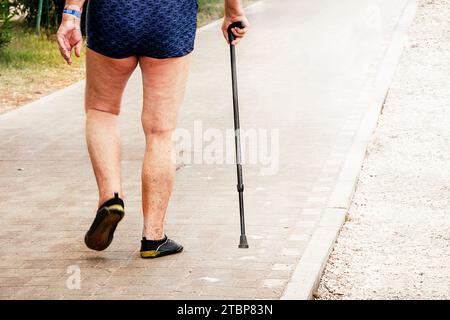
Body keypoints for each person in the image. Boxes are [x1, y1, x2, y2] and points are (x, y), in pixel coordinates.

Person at [56, 0, 249, 258]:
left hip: (113, 15)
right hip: (170, 17)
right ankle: (153, 237)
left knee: (102, 110)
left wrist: (71, 14)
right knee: (160, 130)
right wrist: (233, 12)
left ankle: (110, 197)